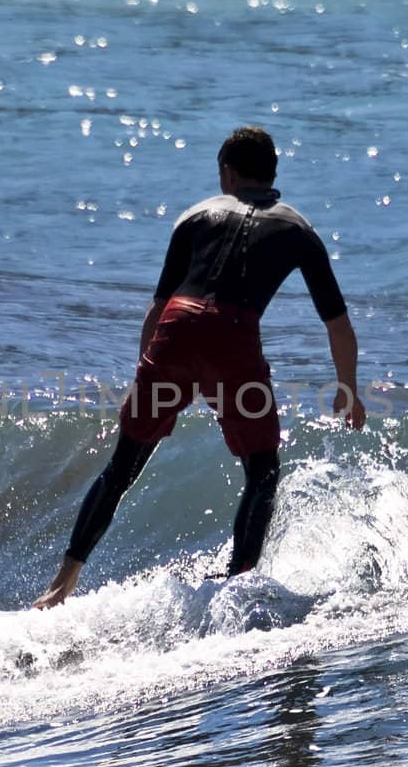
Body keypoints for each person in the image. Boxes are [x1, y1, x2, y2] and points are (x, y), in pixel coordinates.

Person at [35, 125, 364, 610]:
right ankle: (238, 588)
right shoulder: (299, 231)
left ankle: (60, 587)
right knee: (263, 470)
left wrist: (140, 377)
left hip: (177, 327)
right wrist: (348, 388)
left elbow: (157, 309)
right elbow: (337, 323)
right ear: (272, 173)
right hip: (233, 336)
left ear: (227, 173)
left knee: (122, 466)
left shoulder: (195, 216)